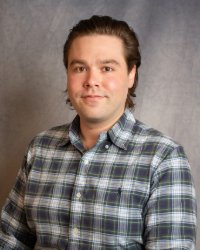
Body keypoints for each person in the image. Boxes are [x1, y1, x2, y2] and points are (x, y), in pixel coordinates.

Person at [0, 15, 196, 249]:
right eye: (80, 68)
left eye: (107, 68)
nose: (92, 80)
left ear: (131, 75)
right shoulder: (40, 149)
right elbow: (9, 240)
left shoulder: (163, 158)